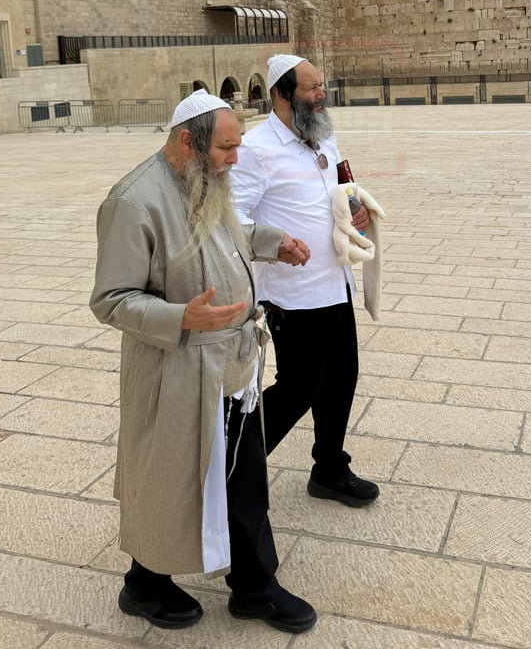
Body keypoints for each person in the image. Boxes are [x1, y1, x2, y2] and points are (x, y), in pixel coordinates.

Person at [90, 91, 317, 634]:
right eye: (226, 147)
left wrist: (272, 242)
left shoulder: (205, 179)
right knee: (168, 480)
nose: (236, 158)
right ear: (187, 142)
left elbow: (226, 233)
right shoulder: (134, 202)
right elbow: (111, 300)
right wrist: (180, 318)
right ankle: (144, 584)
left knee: (243, 478)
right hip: (175, 372)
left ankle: (254, 586)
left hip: (231, 366)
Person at [231, 55, 379, 507]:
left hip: (335, 280)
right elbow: (231, 221)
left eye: (321, 86)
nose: (321, 95)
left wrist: (355, 208)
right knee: (298, 389)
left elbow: (338, 191)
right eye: (311, 88)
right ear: (281, 93)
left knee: (341, 378)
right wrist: (273, 244)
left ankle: (329, 469)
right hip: (292, 294)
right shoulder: (255, 150)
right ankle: (230, 473)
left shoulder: (322, 136)